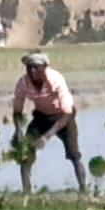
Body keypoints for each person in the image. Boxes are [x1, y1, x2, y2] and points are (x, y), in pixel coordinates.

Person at [13, 52, 87, 193]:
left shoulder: (56, 79)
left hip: (63, 117)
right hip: (41, 117)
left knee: (74, 154)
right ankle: (26, 192)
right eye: (29, 68)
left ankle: (83, 190)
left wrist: (47, 137)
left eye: (36, 67)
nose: (32, 71)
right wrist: (18, 131)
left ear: (44, 67)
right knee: (26, 154)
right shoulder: (23, 83)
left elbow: (68, 112)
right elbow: (17, 110)